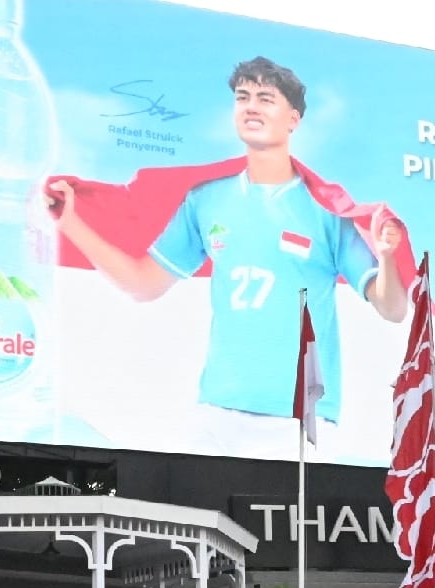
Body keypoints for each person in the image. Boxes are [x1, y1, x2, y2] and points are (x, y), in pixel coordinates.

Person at [47, 56, 408, 439]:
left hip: (298, 419)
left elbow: (394, 308)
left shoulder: (328, 210)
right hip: (216, 413)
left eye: (266, 98)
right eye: (243, 96)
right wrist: (70, 224)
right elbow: (143, 284)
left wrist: (386, 258)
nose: (251, 106)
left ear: (293, 120)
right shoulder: (206, 200)